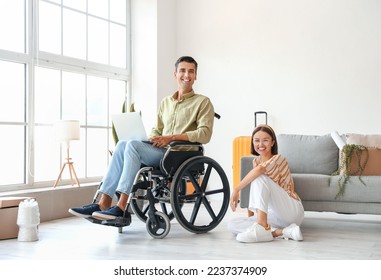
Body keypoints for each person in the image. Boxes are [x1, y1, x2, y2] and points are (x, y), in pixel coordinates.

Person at [69, 56, 215, 221]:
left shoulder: (203, 102)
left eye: (191, 71)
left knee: (131, 145)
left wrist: (170, 138)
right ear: (175, 74)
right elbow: (158, 128)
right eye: (182, 70)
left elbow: (204, 134)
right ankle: (104, 201)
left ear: (196, 76)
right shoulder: (166, 102)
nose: (186, 75)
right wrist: (153, 137)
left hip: (179, 154)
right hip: (160, 151)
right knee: (123, 144)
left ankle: (121, 207)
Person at [229, 124, 304, 243]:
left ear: (272, 142)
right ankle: (283, 232)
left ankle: (262, 228)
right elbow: (258, 193)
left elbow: (259, 171)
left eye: (265, 140)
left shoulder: (279, 158)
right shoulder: (256, 161)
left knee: (259, 177)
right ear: (252, 142)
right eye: (257, 141)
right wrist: (252, 216)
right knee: (232, 224)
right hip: (273, 215)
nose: (260, 144)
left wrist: (236, 189)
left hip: (291, 210)